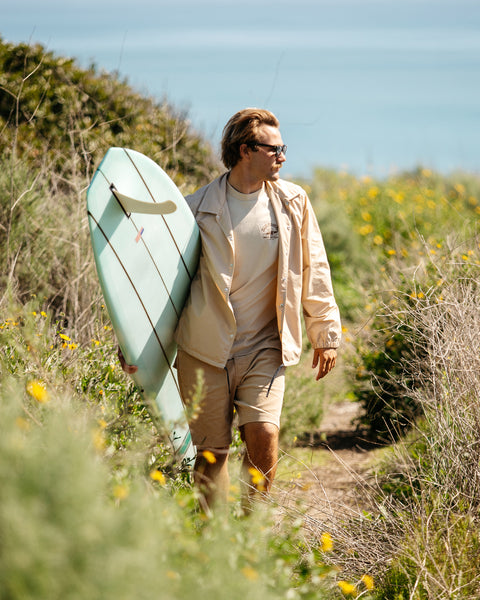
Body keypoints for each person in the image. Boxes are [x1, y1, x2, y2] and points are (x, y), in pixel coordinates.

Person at [122, 108, 341, 513]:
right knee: (212, 454)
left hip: (265, 347)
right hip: (205, 348)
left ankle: (251, 528)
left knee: (263, 436)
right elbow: (154, 281)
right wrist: (133, 339)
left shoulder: (293, 202)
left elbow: (315, 267)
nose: (283, 157)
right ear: (246, 150)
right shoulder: (194, 209)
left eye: (283, 148)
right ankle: (216, 544)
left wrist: (325, 333)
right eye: (274, 149)